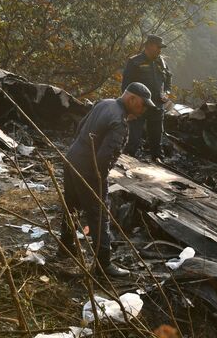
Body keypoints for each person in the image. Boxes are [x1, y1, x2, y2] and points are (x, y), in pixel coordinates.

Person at [59, 82, 156, 277]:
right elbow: (104, 159)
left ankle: (66, 247)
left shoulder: (104, 103)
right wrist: (100, 182)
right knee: (100, 215)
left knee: (71, 205)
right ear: (132, 99)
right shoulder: (119, 122)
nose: (143, 110)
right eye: (142, 105)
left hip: (72, 158)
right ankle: (104, 265)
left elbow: (80, 127)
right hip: (89, 169)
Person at [121, 35, 172, 160]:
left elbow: (169, 80)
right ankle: (126, 160)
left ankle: (157, 160)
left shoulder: (162, 63)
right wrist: (128, 109)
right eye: (158, 47)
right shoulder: (135, 62)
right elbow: (125, 86)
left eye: (161, 48)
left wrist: (167, 92)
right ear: (149, 46)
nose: (160, 50)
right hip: (139, 106)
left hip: (157, 106)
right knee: (134, 138)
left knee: (156, 138)